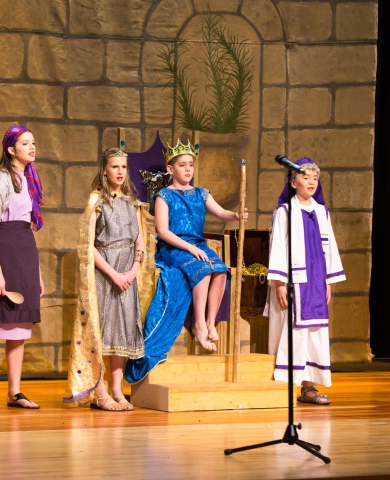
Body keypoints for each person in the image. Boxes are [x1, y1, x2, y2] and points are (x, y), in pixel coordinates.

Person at [125, 139, 246, 384]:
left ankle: (210, 322)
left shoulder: (201, 193)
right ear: (171, 169)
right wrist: (190, 247)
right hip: (175, 248)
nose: (188, 169)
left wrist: (235, 215)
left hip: (197, 246)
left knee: (221, 271)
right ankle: (200, 324)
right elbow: (163, 231)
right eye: (182, 165)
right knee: (202, 270)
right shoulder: (164, 196)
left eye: (190, 164)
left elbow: (221, 213)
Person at [64, 148, 155, 411]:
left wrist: (133, 270)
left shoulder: (132, 203)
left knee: (122, 332)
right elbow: (89, 243)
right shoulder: (97, 202)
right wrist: (114, 274)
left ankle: (117, 389)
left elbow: (140, 240)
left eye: (123, 167)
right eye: (114, 167)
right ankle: (100, 391)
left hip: (127, 272)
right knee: (102, 331)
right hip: (105, 274)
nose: (119, 172)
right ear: (104, 169)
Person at [0, 125, 44, 411]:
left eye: (33, 142)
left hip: (24, 254)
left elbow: (27, 229)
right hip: (2, 253)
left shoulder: (29, 180)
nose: (32, 147)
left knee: (19, 325)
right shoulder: (0, 180)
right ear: (11, 150)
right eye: (25, 143)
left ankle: (14, 391)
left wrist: (36, 273)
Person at [264, 157, 345, 405]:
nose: (311, 181)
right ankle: (285, 386)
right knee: (291, 330)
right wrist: (279, 282)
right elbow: (278, 246)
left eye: (315, 178)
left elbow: (328, 246)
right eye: (305, 176)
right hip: (293, 282)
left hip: (317, 281)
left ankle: (309, 387)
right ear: (293, 181)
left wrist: (328, 281)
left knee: (314, 333)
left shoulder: (321, 211)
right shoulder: (285, 211)